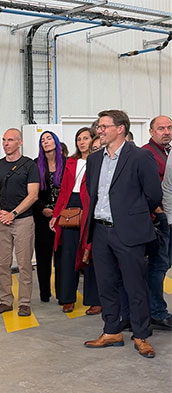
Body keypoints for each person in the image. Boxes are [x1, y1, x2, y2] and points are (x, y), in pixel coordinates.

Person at [83, 110, 160, 359]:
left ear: (121, 128)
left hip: (130, 232)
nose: (99, 130)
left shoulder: (140, 157)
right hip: (101, 231)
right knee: (106, 284)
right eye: (99, 126)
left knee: (135, 285)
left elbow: (153, 196)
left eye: (104, 126)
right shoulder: (94, 160)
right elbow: (91, 192)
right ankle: (112, 331)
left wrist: (132, 216)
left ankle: (140, 335)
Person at [0, 128, 40, 317]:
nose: (6, 143)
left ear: (20, 142)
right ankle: (5, 301)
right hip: (2, 220)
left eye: (10, 140)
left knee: (24, 263)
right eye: (4, 140)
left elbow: (33, 195)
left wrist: (14, 213)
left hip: (23, 221)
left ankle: (24, 303)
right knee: (2, 263)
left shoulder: (29, 166)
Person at [50, 127, 101, 315]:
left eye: (85, 138)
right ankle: (67, 298)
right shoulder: (71, 161)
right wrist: (56, 215)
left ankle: (94, 300)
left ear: (92, 139)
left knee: (90, 255)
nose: (81, 142)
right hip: (70, 207)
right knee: (69, 255)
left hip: (91, 208)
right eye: (79, 138)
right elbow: (63, 190)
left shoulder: (99, 160)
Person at [142, 115, 172, 330]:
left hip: (168, 217)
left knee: (164, 265)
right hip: (159, 220)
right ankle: (157, 312)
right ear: (151, 132)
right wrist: (159, 214)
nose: (166, 132)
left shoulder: (168, 152)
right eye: (161, 128)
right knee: (158, 266)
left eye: (169, 128)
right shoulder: (146, 153)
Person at [33, 131, 64, 304]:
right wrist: (42, 209)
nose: (46, 141)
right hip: (42, 217)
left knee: (61, 258)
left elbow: (69, 191)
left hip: (62, 218)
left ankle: (62, 293)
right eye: (43, 140)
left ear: (56, 142)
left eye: (49, 138)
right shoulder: (36, 164)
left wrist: (59, 211)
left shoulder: (66, 163)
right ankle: (44, 293)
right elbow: (31, 192)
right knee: (43, 258)